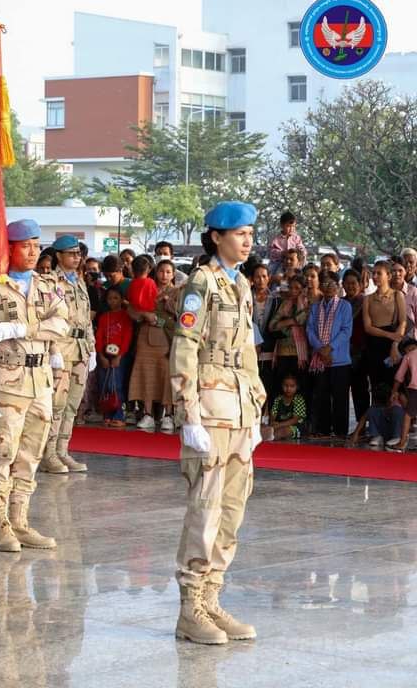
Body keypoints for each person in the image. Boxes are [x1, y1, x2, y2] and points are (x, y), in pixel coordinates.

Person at [170, 201, 264, 645]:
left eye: (250, 234)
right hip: (209, 408)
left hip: (239, 410)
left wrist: (256, 410)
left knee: (231, 511)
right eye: (240, 233)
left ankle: (211, 599)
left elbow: (246, 354)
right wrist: (188, 413)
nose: (247, 241)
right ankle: (190, 608)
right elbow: (184, 347)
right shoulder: (201, 284)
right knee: (205, 510)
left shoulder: (241, 285)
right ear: (216, 237)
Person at [0, 218, 64, 552]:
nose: (34, 252)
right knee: (2, 454)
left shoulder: (46, 286)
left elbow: (61, 324)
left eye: (36, 245)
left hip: (40, 384)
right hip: (6, 383)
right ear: (9, 249)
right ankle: (1, 525)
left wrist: (23, 329)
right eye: (26, 246)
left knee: (30, 456)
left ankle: (20, 521)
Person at [40, 234, 95, 474]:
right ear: (58, 256)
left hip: (80, 348)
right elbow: (46, 318)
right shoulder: (51, 282)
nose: (76, 258)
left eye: (78, 254)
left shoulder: (79, 282)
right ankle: (48, 453)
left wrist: (91, 348)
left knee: (72, 404)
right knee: (57, 404)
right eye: (71, 254)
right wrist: (52, 349)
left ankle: (62, 450)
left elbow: (86, 318)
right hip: (61, 348)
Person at [129, 258, 178, 432]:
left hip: (167, 338)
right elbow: (132, 308)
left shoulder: (178, 291)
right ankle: (147, 413)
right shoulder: (146, 286)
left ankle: (168, 415)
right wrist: (144, 314)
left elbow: (182, 315)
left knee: (167, 376)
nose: (164, 275)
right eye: (161, 271)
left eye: (168, 272)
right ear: (155, 272)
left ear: (173, 274)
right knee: (146, 374)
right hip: (145, 337)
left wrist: (168, 304)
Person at [307, 271, 352, 438]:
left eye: (332, 284)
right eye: (325, 284)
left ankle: (340, 431)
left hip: (340, 359)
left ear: (338, 286)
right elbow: (310, 330)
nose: (328, 287)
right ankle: (324, 429)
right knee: (322, 395)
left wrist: (330, 348)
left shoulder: (344, 306)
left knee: (340, 397)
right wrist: (321, 348)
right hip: (320, 359)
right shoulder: (315, 307)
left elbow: (346, 331)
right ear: (320, 286)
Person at [362, 260, 406, 394]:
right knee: (377, 386)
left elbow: (403, 322)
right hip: (374, 345)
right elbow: (368, 327)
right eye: (373, 273)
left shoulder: (397, 295)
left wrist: (395, 344)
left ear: (389, 276)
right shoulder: (368, 299)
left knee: (395, 387)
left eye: (379, 273)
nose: (375, 276)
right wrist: (390, 335)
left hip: (393, 345)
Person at [95, 287, 132, 427]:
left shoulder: (126, 316)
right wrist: (101, 356)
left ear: (122, 300)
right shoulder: (104, 317)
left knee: (117, 384)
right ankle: (107, 413)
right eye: (110, 298)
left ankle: (118, 415)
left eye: (116, 298)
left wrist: (119, 357)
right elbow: (99, 337)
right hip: (105, 355)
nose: (113, 301)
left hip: (120, 356)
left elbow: (127, 338)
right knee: (104, 384)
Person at [268, 274, 309, 403]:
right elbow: (272, 326)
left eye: (297, 288)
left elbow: (302, 320)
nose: (293, 291)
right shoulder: (285, 304)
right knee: (281, 387)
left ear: (303, 289)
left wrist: (285, 322)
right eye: (291, 288)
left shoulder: (308, 305)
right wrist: (291, 321)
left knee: (300, 388)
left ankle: (298, 414)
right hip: (282, 352)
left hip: (300, 354)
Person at [250, 263, 279, 409]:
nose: (261, 280)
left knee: (268, 386)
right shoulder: (245, 297)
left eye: (264, 276)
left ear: (269, 278)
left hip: (269, 350)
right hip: (249, 349)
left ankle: (266, 415)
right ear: (252, 279)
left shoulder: (276, 300)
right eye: (257, 277)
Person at [343, 268, 370, 423]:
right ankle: (341, 426)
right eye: (347, 283)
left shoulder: (366, 302)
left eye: (353, 283)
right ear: (343, 285)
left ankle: (362, 425)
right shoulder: (340, 303)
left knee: (360, 390)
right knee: (341, 390)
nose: (350, 286)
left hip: (361, 352)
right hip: (342, 352)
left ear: (360, 284)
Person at [351, 383, 405, 450]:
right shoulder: (377, 405)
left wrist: (403, 437)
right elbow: (364, 418)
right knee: (372, 410)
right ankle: (377, 435)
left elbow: (408, 415)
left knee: (397, 411)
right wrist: (356, 434)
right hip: (384, 429)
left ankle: (397, 437)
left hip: (397, 430)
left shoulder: (399, 399)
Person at [390, 337, 417, 451]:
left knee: (407, 416)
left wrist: (394, 392)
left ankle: (402, 442)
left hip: (415, 388)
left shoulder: (407, 356)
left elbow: (399, 376)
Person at [265, 374, 306, 441]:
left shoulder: (298, 399)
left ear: (297, 387)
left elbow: (295, 420)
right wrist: (272, 422)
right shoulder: (278, 399)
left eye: (292, 386)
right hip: (280, 425)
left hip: (296, 427)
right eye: (286, 386)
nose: (288, 389)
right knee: (267, 430)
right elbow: (273, 416)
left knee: (282, 431)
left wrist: (278, 425)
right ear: (282, 386)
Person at [267, 211, 306, 277]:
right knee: (274, 271)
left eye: (293, 226)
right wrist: (281, 253)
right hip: (279, 262)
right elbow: (271, 251)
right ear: (282, 225)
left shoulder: (296, 237)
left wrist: (301, 252)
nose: (291, 229)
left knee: (303, 269)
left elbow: (301, 247)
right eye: (288, 226)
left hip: (294, 261)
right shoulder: (275, 238)